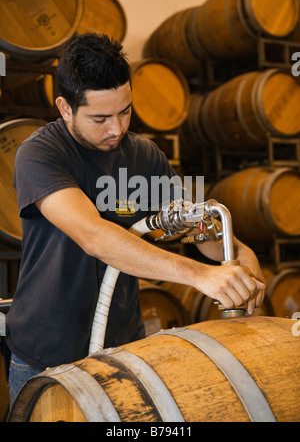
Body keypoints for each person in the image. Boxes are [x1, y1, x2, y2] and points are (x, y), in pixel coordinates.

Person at [5, 33, 266, 407]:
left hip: (121, 349)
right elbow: (93, 235)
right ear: (65, 108)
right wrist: (200, 275)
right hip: (46, 353)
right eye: (100, 118)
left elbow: (196, 225)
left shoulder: (145, 157)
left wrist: (237, 252)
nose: (117, 129)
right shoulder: (39, 154)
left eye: (125, 111)